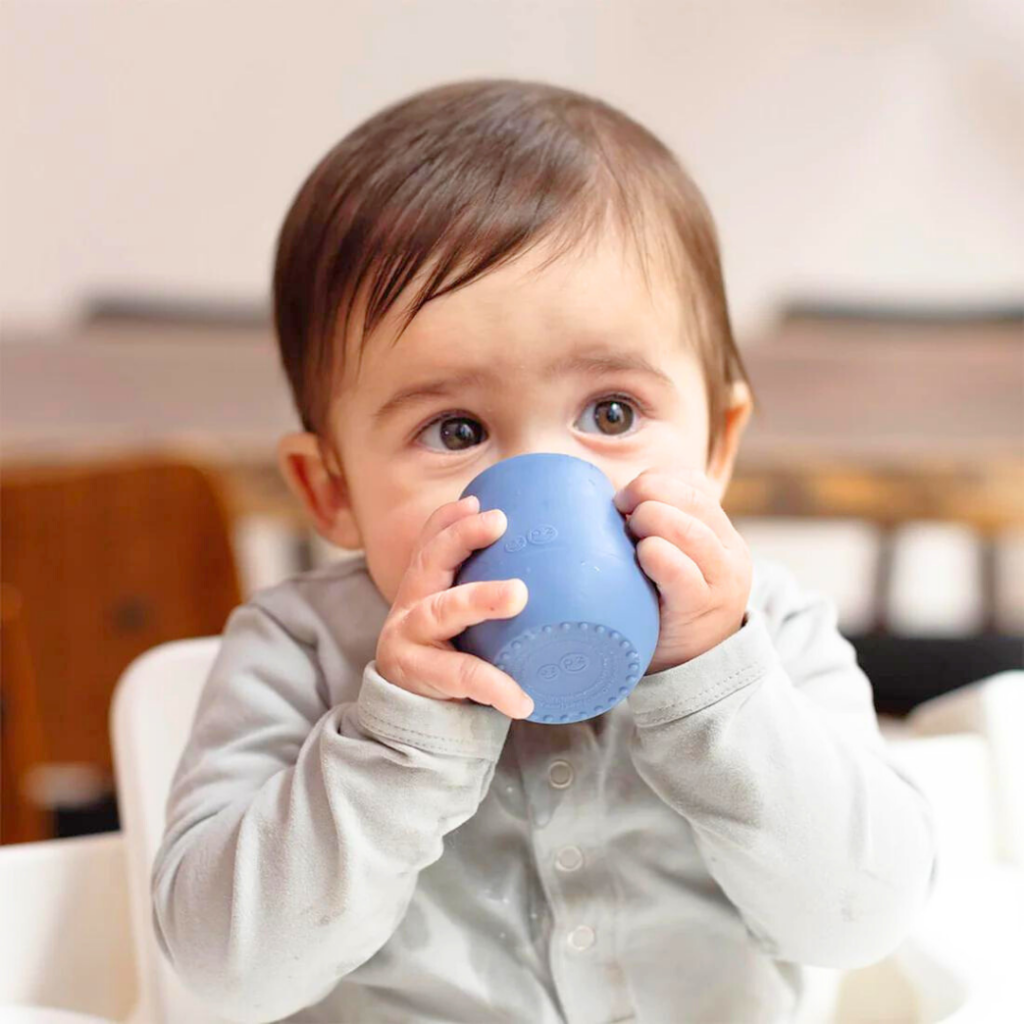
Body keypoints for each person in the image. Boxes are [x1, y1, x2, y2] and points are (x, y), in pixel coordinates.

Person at [151, 79, 936, 1024]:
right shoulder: (296, 652)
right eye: (454, 429)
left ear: (718, 445)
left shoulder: (771, 634)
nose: (551, 486)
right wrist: (399, 741)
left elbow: (861, 921)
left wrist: (716, 686)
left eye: (612, 414)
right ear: (333, 490)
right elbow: (225, 973)